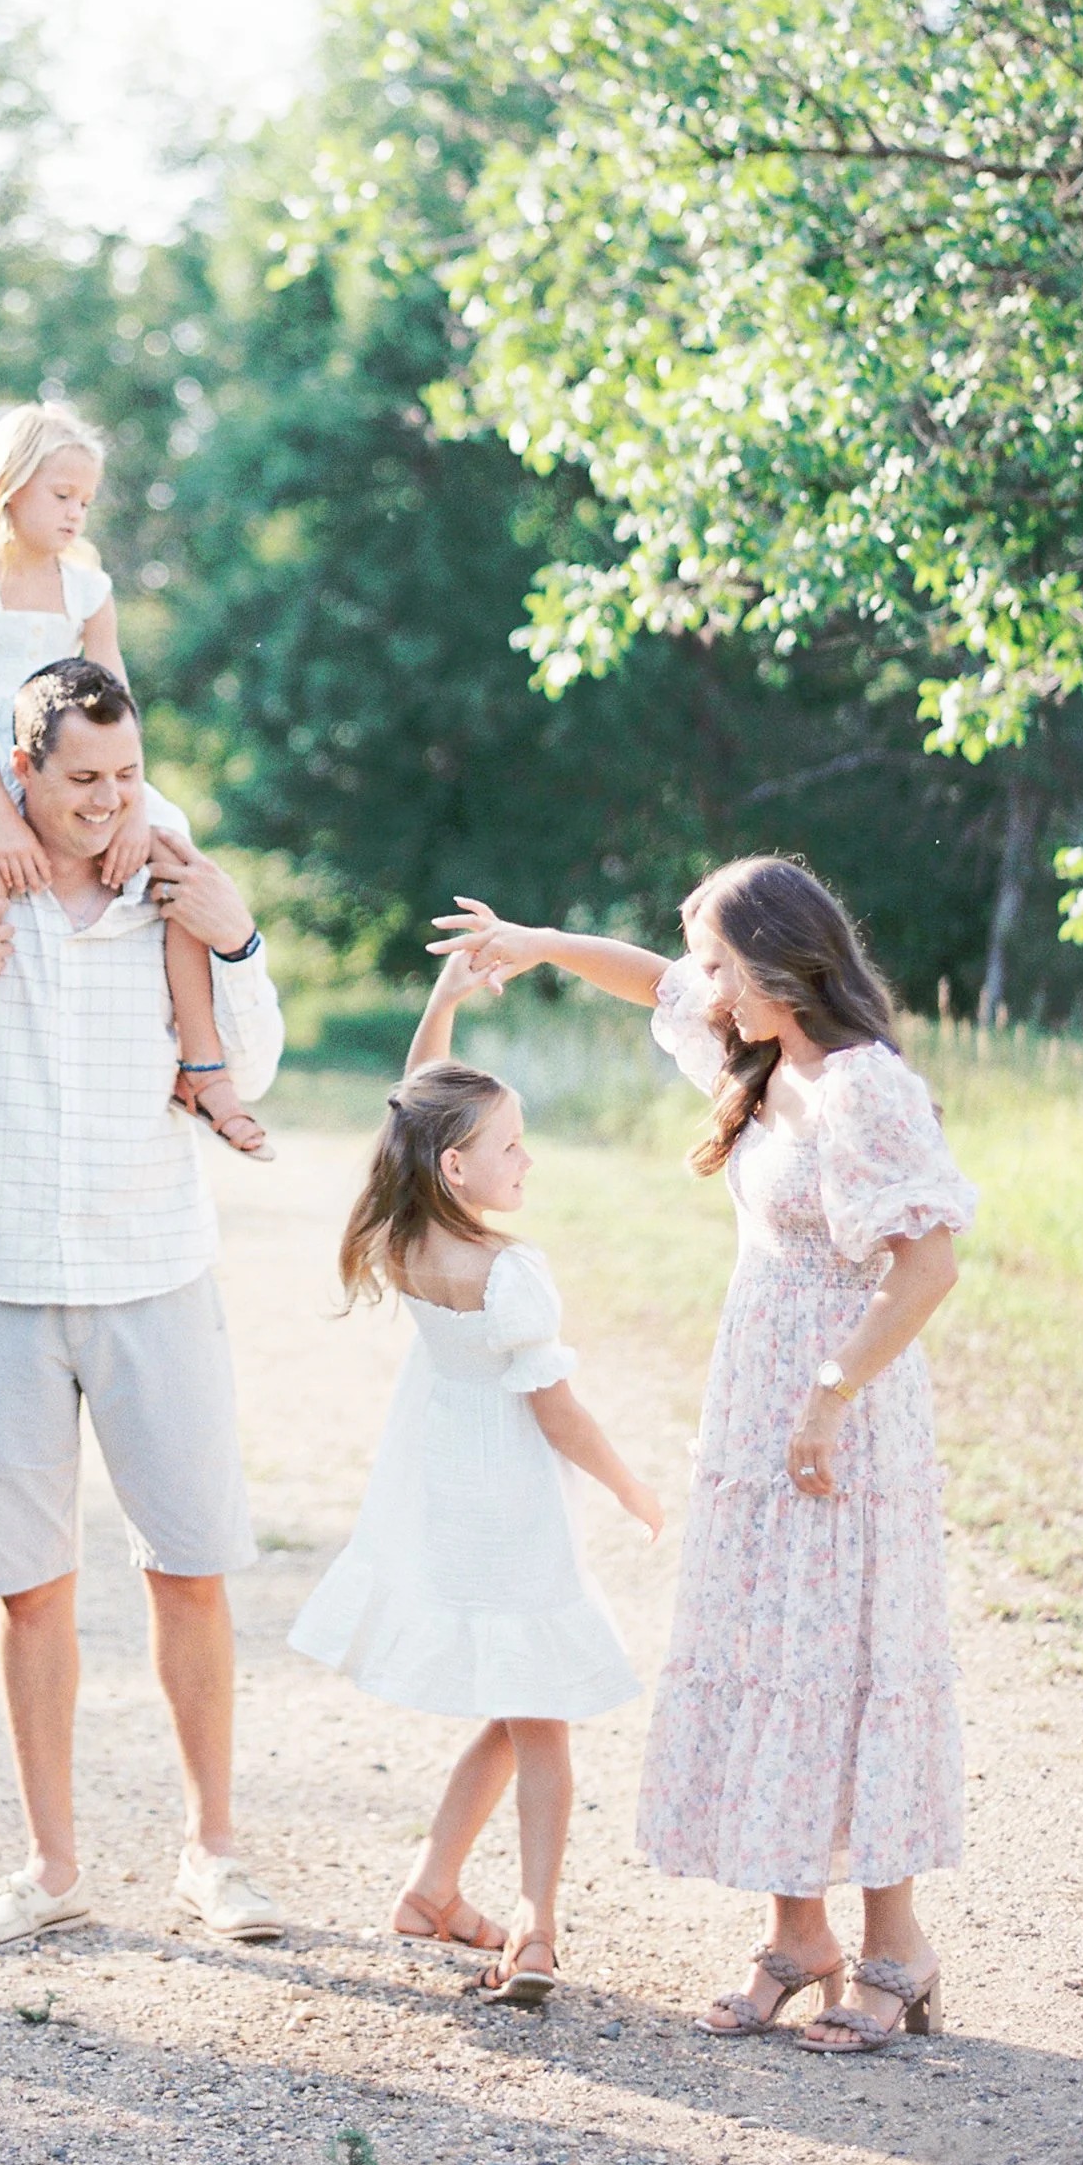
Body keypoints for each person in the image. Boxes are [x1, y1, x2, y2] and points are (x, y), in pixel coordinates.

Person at [431, 857, 976, 2050]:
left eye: (721, 964)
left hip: (844, 1418)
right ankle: (800, 1934)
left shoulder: (862, 1088)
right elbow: (647, 983)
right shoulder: (762, 1061)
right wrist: (534, 934)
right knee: (768, 1651)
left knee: (848, 1665)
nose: (703, 986)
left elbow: (927, 1267)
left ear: (781, 967)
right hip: (754, 1411)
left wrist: (829, 1398)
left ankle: (898, 1947)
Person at [0, 656, 287, 1953]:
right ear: (22, 770)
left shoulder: (168, 858)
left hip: (156, 1267)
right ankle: (52, 1865)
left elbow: (243, 1063)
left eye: (127, 773)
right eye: (82, 778)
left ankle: (214, 1853)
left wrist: (234, 929)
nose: (108, 801)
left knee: (190, 1566)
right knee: (29, 1586)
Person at [289, 949, 662, 2004]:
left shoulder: (407, 1233)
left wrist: (443, 1002)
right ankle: (538, 1929)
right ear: (460, 1167)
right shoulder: (507, 1271)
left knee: (516, 1703)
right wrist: (634, 1487)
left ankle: (431, 1889)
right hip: (508, 1506)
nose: (526, 1162)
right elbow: (555, 1407)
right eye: (512, 1146)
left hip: (438, 1492)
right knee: (541, 1712)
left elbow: (415, 1107)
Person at [0, 400, 270, 1241]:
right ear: (9, 487)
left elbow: (117, 708)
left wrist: (134, 807)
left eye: (84, 500)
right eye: (61, 494)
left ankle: (204, 1067)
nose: (75, 513)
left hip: (86, 764)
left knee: (175, 861)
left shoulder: (88, 590)